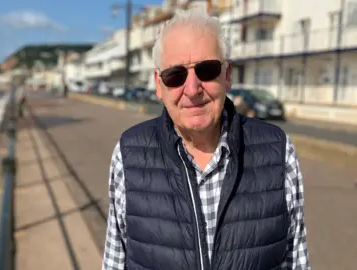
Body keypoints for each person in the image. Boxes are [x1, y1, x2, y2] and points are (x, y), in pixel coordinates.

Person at [102, 8, 310, 270]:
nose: (192, 89)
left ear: (227, 75)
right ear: (158, 84)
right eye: (175, 75)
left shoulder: (279, 151)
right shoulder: (129, 153)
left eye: (207, 69)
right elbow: (114, 262)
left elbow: (297, 262)